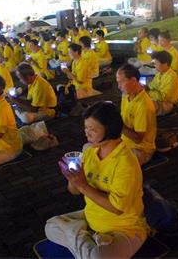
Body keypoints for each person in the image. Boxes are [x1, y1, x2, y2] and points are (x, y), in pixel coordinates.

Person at [45, 102, 147, 258]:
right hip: (92, 217)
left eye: (92, 130)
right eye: (86, 128)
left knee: (98, 257)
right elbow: (73, 191)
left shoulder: (126, 163)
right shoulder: (90, 152)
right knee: (50, 226)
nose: (87, 134)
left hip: (124, 228)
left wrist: (83, 185)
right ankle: (90, 239)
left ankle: (82, 237)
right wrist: (72, 177)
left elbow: (116, 208)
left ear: (110, 130)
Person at [116, 64, 157, 165]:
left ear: (134, 81)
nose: (118, 86)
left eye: (121, 82)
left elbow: (138, 139)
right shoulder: (126, 95)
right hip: (124, 142)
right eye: (118, 82)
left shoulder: (143, 105)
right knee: (90, 148)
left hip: (140, 150)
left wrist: (116, 123)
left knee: (115, 162)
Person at [147, 51, 178, 116]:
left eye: (156, 63)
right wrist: (145, 87)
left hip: (167, 104)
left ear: (165, 64)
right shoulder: (159, 73)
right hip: (157, 99)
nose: (155, 66)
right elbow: (152, 85)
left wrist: (148, 93)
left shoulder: (171, 76)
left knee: (144, 105)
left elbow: (163, 97)